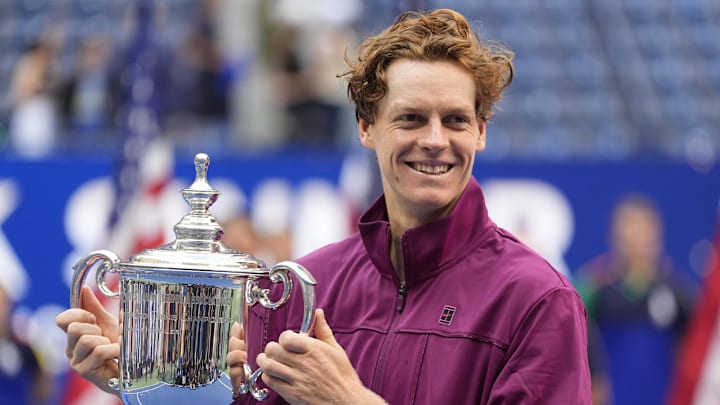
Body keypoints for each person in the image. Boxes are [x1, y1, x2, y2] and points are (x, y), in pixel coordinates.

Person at [55, 8, 592, 404]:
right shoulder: (307, 284)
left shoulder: (537, 298)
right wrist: (153, 379)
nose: (434, 139)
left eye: (454, 120)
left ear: (480, 132)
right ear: (366, 127)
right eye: (409, 118)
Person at [574, 194, 697, 405]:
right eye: (630, 232)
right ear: (614, 236)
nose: (637, 240)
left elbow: (696, 350)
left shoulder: (678, 291)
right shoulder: (592, 288)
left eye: (644, 232)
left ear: (657, 236)